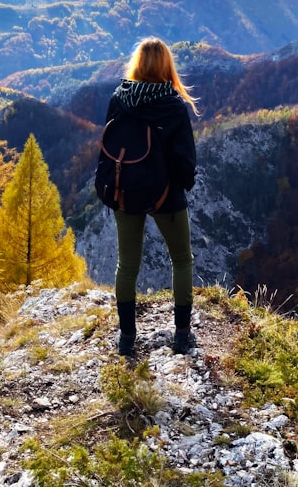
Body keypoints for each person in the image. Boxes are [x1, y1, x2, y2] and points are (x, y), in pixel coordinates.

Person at [104, 37, 199, 356]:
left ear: (138, 64)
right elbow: (185, 159)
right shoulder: (173, 105)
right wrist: (184, 186)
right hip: (165, 194)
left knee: (127, 265)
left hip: (125, 190)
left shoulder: (119, 97)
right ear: (166, 67)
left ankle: (127, 338)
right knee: (182, 260)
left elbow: (111, 144)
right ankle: (182, 336)